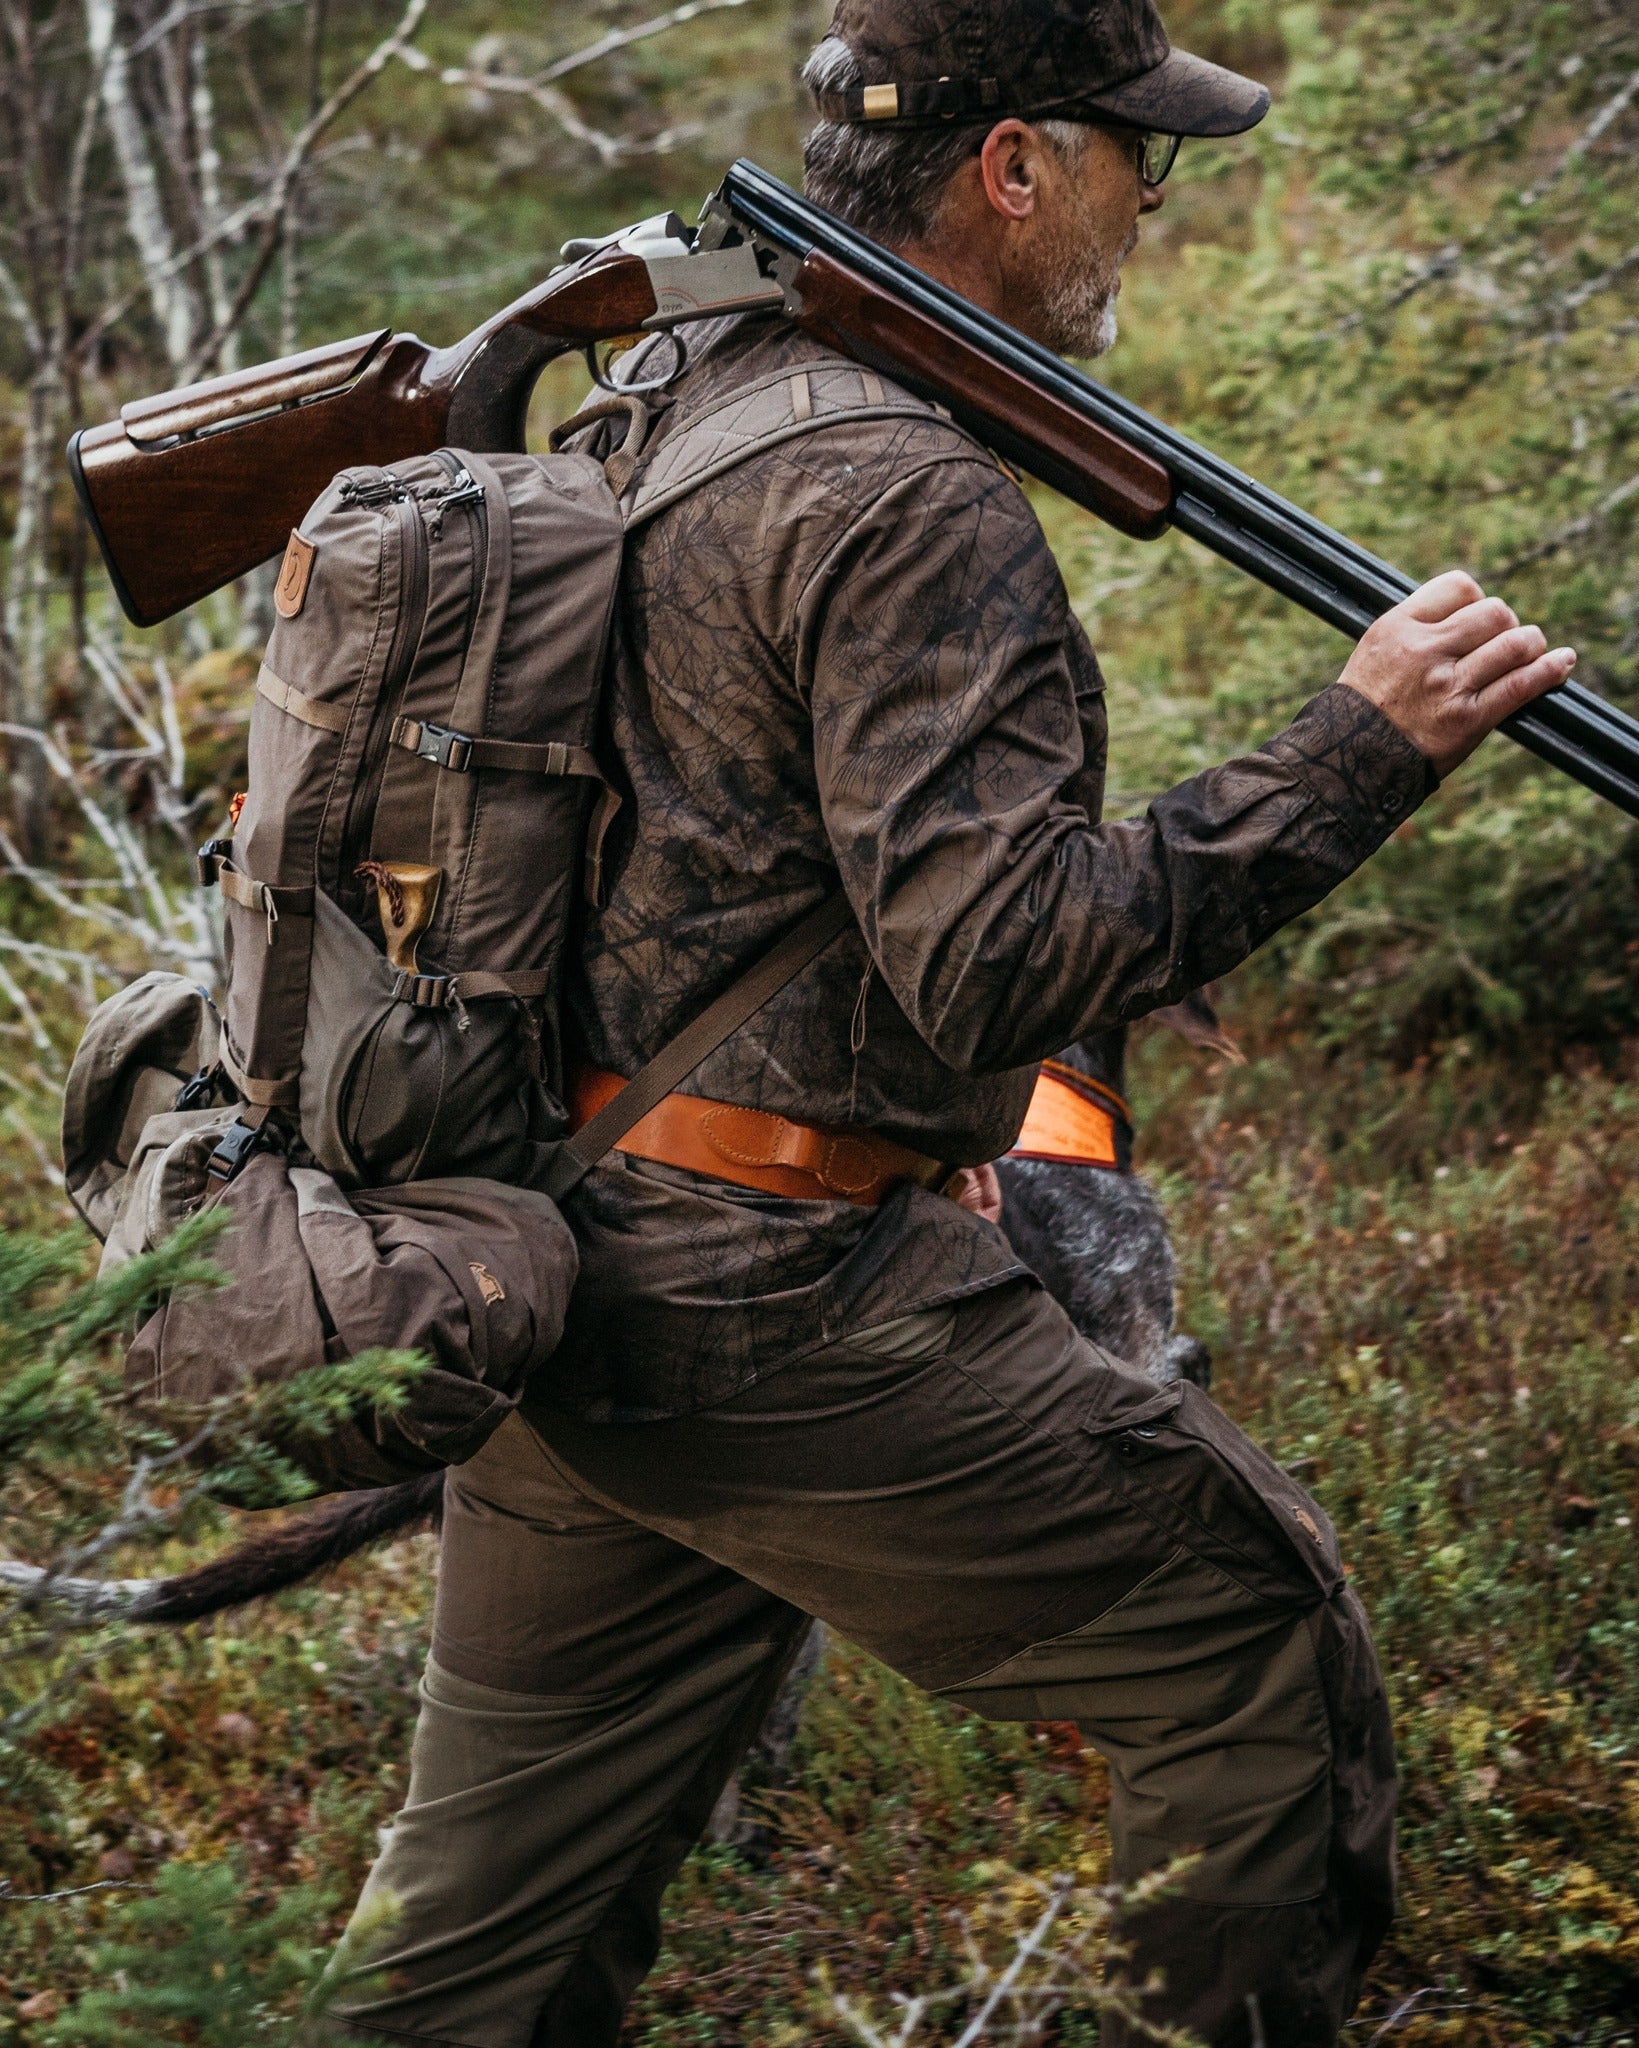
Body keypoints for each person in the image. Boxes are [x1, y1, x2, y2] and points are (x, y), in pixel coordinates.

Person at [330, 2, 1576, 2041]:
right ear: (1012, 167)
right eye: (1131, 160)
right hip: (778, 1294)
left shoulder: (688, 370)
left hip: (547, 1249)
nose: (1149, 207)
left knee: (471, 1955)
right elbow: (1003, 965)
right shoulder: (907, 487)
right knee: (1252, 1643)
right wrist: (1356, 753)